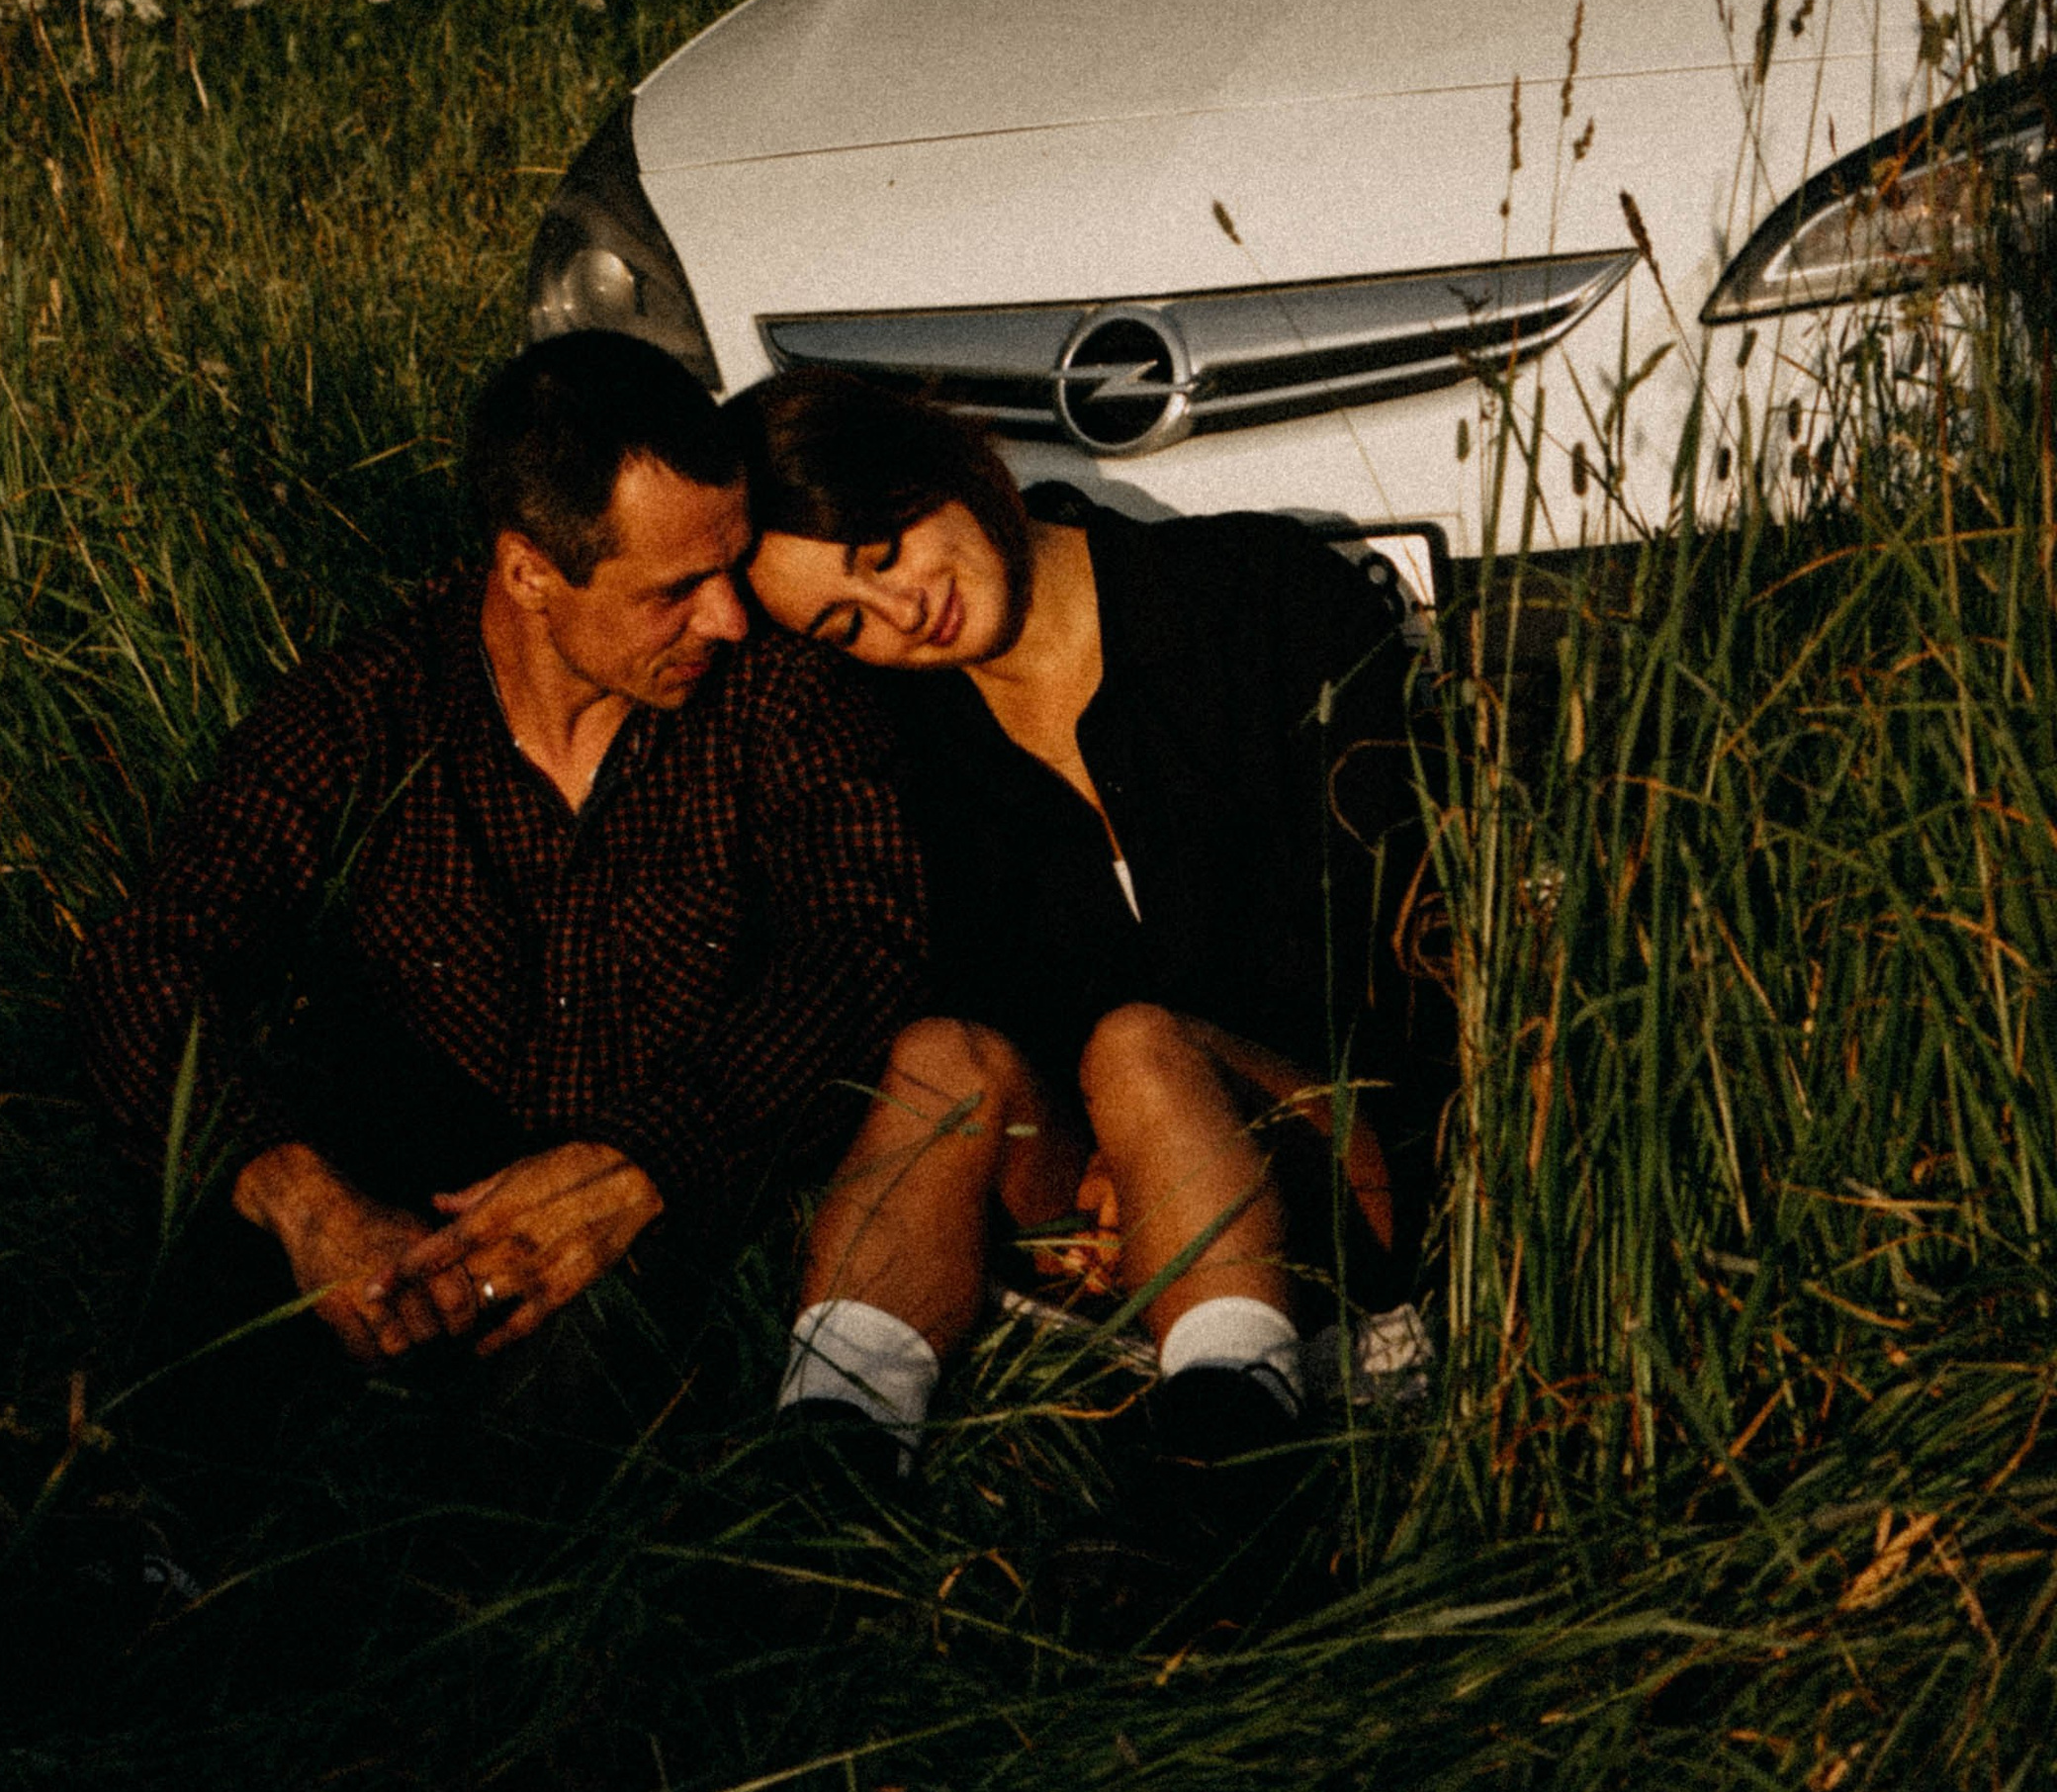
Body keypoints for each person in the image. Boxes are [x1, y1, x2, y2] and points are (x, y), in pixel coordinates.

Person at [74, 336, 927, 1368]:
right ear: (528, 571)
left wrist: (644, 1163)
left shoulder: (780, 702)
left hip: (680, 1249)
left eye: (731, 566)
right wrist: (303, 1202)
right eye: (675, 588)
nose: (730, 617)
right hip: (399, 1239)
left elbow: (865, 945)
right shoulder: (368, 711)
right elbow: (148, 957)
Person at [725, 370, 1446, 1507]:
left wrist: (1157, 1102)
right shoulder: (908, 749)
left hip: (1348, 1165)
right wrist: (1121, 1151)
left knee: (1135, 1047)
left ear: (948, 464)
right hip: (1112, 1226)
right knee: (939, 1060)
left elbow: (1397, 940)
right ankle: (830, 1471)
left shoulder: (1254, 594)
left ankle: (1227, 1475)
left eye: (883, 545)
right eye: (845, 622)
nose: (902, 611)